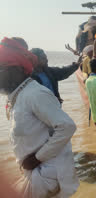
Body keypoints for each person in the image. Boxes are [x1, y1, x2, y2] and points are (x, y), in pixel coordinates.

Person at [0, 37, 79, 197]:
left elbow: (67, 127)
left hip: (46, 175)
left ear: (17, 69)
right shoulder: (18, 94)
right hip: (37, 173)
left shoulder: (34, 93)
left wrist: (36, 159)